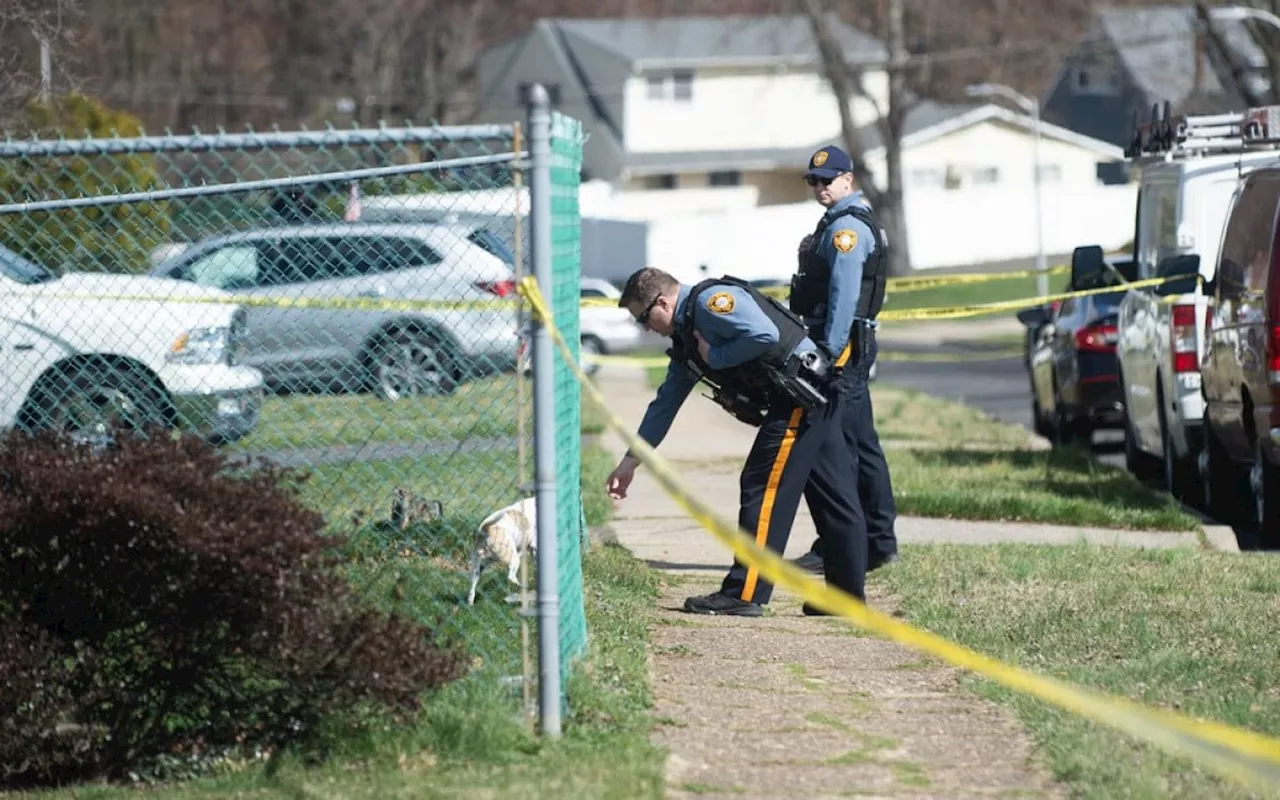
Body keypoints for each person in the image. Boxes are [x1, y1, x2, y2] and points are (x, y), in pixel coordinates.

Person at [605, 267, 867, 617]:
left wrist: (716, 357)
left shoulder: (712, 305)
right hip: (812, 394)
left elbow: (763, 334)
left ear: (663, 303)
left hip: (801, 394)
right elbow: (664, 404)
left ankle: (745, 593)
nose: (647, 329)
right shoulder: (687, 336)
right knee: (832, 493)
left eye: (644, 319)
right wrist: (630, 462)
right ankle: (846, 599)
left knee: (762, 484)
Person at [786, 145, 900, 575]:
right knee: (857, 444)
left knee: (845, 448)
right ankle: (870, 541)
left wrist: (828, 354)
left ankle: (862, 544)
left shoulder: (846, 231)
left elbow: (844, 297)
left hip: (841, 348)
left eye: (827, 180)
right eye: (813, 181)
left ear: (848, 180)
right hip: (848, 345)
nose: (819, 188)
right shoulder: (841, 223)